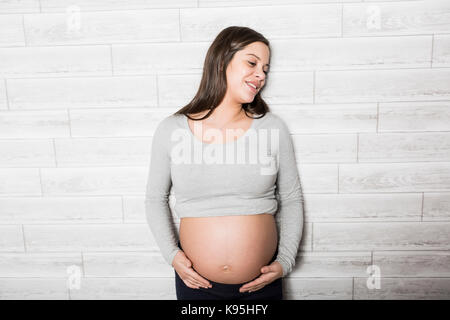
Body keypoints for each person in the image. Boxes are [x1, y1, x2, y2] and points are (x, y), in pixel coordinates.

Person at [145, 26, 304, 300]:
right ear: (221, 61)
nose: (261, 75)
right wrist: (172, 256)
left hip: (261, 288)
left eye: (266, 68)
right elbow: (154, 198)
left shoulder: (272, 128)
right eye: (252, 63)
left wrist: (285, 262)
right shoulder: (171, 130)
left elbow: (292, 199)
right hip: (196, 287)